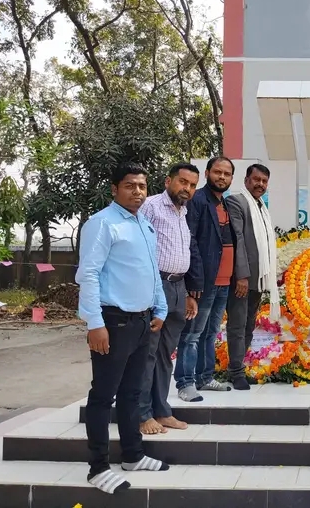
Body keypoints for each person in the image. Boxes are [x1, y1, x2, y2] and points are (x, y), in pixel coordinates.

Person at [75, 162, 169, 494]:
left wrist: (160, 307)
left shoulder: (144, 224)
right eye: (130, 185)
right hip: (113, 322)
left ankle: (132, 454)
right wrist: (95, 323)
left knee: (133, 392)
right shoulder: (102, 223)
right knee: (103, 396)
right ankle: (98, 467)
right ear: (114, 189)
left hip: (142, 321)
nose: (138, 192)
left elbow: (152, 271)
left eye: (142, 186)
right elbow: (88, 274)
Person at [138, 163, 200, 435]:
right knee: (147, 352)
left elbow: (181, 253)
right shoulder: (150, 207)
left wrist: (186, 294)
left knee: (165, 354)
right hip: (155, 285)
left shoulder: (182, 212)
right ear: (168, 181)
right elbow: (138, 249)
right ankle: (142, 414)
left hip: (177, 287)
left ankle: (161, 411)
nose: (187, 188)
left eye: (192, 185)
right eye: (182, 182)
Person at [176, 156, 234, 402]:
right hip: (204, 283)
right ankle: (185, 383)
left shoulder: (225, 203)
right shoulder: (197, 200)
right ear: (208, 173)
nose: (222, 177)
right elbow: (189, 241)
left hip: (223, 283)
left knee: (210, 333)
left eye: (227, 174)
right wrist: (194, 282)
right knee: (191, 334)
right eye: (217, 172)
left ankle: (205, 377)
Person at [225, 163, 280, 391]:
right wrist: (242, 276)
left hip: (258, 279)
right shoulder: (236, 202)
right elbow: (237, 239)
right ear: (246, 180)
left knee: (248, 325)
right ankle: (236, 372)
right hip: (243, 279)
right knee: (237, 326)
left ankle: (237, 368)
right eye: (256, 180)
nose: (260, 184)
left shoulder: (261, 207)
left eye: (264, 181)